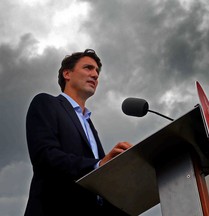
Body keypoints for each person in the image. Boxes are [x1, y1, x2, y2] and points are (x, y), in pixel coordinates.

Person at [24, 49, 132, 216]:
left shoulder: (89, 123)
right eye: (88, 68)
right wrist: (98, 165)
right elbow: (46, 156)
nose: (95, 75)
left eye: (97, 71)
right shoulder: (46, 103)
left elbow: (100, 183)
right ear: (67, 74)